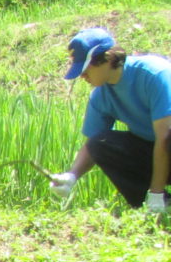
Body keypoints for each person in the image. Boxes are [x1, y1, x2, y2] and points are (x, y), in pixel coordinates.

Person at [48, 27, 171, 216]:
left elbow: (164, 137)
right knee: (101, 143)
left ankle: (157, 199)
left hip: (166, 143)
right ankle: (157, 208)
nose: (82, 75)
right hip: (156, 152)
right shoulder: (101, 96)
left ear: (107, 58)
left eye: (86, 68)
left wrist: (156, 192)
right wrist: (72, 176)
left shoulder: (154, 74)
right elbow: (93, 144)